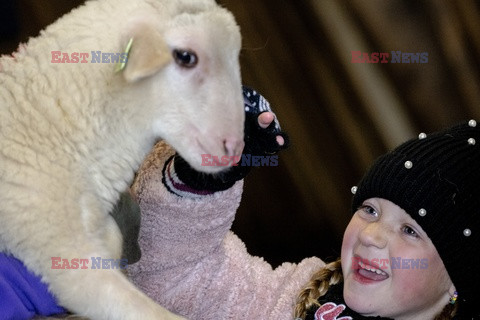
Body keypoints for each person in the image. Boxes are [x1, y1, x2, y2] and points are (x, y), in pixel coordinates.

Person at [1, 87, 479, 320]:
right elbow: (179, 277)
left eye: (411, 230)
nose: (373, 235)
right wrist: (202, 179)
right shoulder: (294, 300)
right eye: (370, 209)